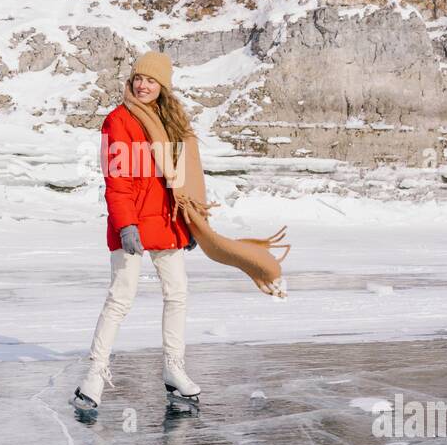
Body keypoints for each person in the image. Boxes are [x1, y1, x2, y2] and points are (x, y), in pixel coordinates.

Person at [72, 52, 291, 415]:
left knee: (177, 294)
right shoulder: (118, 121)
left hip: (168, 222)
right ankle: (94, 375)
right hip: (133, 226)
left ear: (163, 87)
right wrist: (126, 224)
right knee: (120, 299)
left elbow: (187, 178)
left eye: (151, 81)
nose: (143, 85)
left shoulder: (171, 121)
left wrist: (190, 222)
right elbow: (117, 180)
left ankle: (173, 368)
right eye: (138, 78)